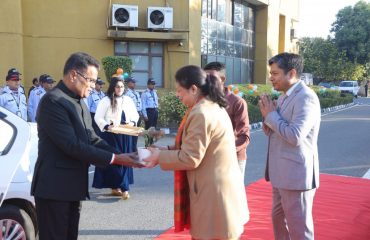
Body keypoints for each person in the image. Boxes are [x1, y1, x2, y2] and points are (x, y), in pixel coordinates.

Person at [31, 52, 143, 240]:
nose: (93, 86)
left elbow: (91, 138)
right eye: (90, 80)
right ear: (74, 75)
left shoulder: (79, 102)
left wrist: (124, 155)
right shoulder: (53, 101)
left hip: (73, 188)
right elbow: (72, 145)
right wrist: (115, 159)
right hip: (54, 189)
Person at [144, 65, 249, 240]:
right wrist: (165, 150)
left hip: (213, 194)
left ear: (193, 89)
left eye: (179, 91)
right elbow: (198, 146)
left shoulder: (201, 113)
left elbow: (190, 157)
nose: (178, 95)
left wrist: (159, 156)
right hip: (218, 190)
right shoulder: (213, 106)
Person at [258, 52, 320, 240]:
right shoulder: (285, 96)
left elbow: (295, 136)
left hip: (295, 176)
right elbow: (276, 130)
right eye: (271, 73)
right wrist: (267, 117)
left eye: (275, 73)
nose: (271, 78)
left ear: (291, 73)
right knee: (278, 221)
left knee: (299, 229)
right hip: (280, 174)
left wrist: (271, 116)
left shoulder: (306, 98)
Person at [93, 77, 139, 200]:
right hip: (111, 135)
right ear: (113, 87)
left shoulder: (128, 100)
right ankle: (120, 188)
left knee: (126, 159)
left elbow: (135, 114)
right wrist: (107, 126)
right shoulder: (105, 100)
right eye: (118, 86)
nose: (120, 89)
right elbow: (98, 117)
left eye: (122, 87)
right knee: (115, 160)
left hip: (126, 135)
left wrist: (133, 123)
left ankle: (123, 186)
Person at [204, 62, 251, 182]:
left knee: (232, 199)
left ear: (222, 79)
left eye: (211, 77)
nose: (206, 81)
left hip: (233, 159)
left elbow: (244, 137)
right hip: (207, 159)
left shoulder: (237, 102)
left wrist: (223, 151)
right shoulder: (202, 101)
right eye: (204, 77)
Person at [125, 76, 142, 150]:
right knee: (131, 133)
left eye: (134, 83)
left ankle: (134, 147)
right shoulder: (126, 93)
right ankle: (131, 148)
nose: (134, 84)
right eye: (132, 82)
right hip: (131, 115)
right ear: (128, 83)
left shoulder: (136, 93)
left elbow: (139, 103)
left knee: (136, 133)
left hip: (138, 114)